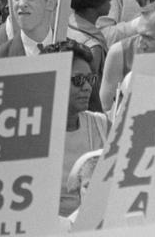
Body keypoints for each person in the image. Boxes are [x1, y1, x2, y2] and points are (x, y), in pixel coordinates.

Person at [40, 41, 108, 218]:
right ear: (53, 80)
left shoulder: (100, 125)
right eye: (78, 80)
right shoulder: (35, 133)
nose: (87, 87)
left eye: (90, 79)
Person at [100, 0, 155, 110]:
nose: (140, 45)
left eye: (148, 38)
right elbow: (108, 113)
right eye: (139, 35)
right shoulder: (120, 54)